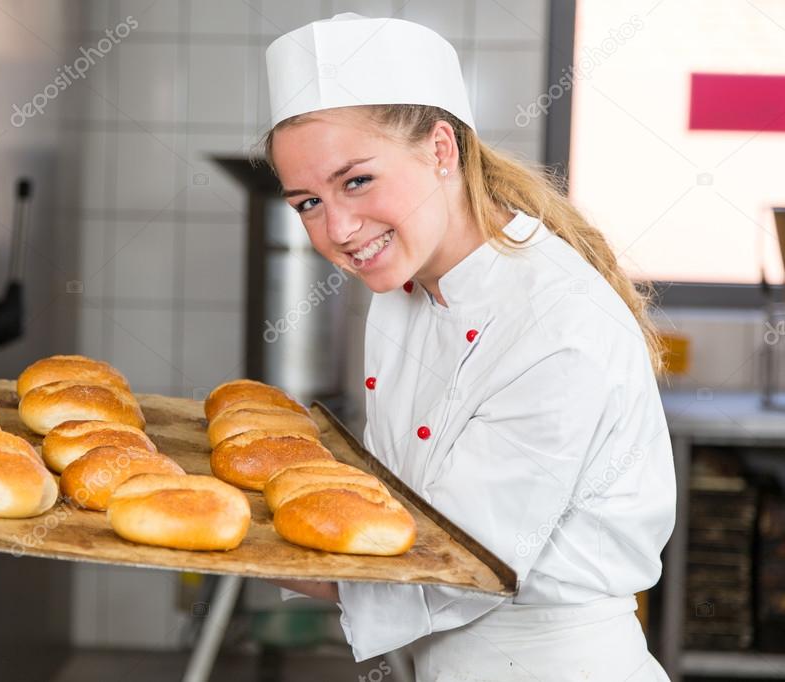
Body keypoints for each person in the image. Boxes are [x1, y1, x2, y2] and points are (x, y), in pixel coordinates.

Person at [257, 13, 676, 681]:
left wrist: (209, 536)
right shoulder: (405, 284)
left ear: (441, 149)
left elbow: (456, 564)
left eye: (356, 180)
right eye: (306, 201)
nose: (335, 228)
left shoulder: (554, 323)